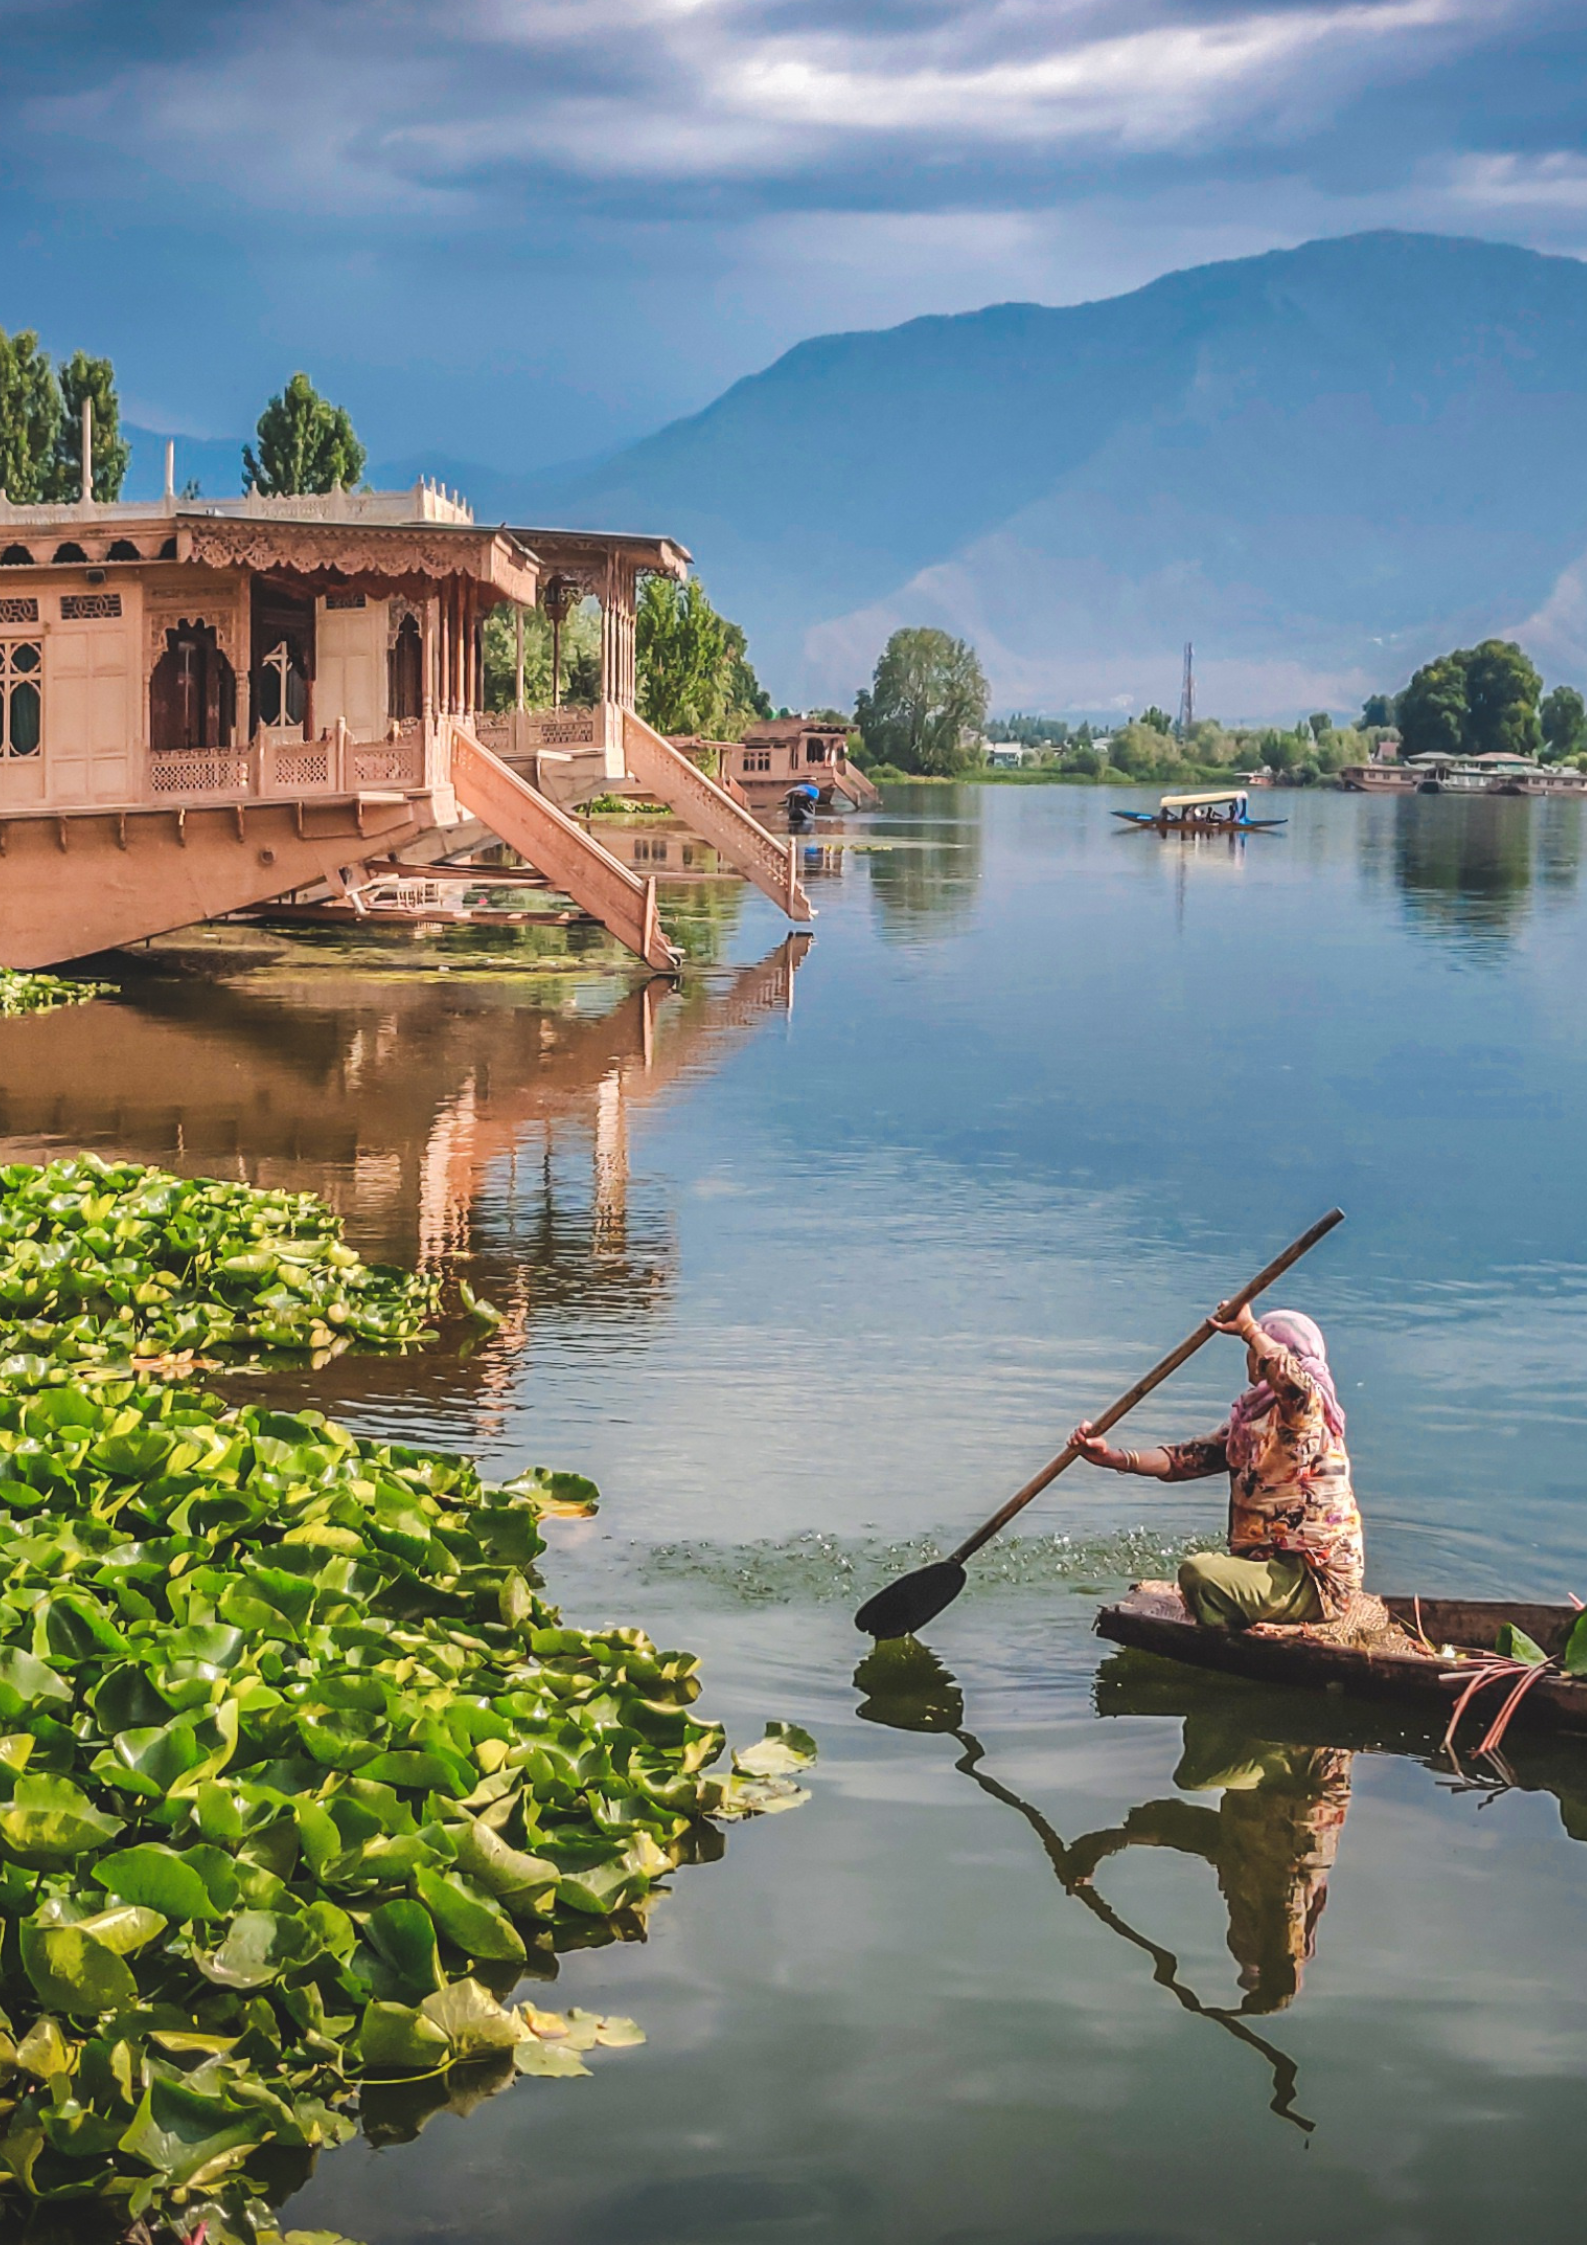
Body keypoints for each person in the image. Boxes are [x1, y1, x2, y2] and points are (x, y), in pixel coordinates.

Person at [1071, 1301, 1364, 1630]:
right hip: (1270, 1567)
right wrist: (1113, 1457)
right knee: (1205, 1572)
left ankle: (1237, 1632)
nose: (1250, 1355)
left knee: (1198, 1573)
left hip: (1313, 1580)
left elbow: (1294, 1383)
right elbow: (1182, 1461)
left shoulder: (1307, 1412)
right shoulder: (1253, 1420)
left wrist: (1250, 1330)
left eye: (1255, 1349)